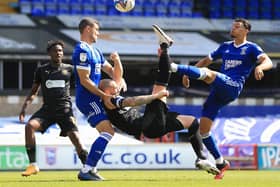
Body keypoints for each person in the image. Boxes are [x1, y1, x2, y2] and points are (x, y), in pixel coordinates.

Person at [98, 24, 220, 176]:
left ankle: (201, 158)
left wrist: (116, 61)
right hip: (147, 125)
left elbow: (117, 77)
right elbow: (133, 101)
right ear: (105, 91)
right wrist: (155, 97)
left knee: (192, 122)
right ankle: (164, 47)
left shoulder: (111, 93)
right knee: (159, 87)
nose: (117, 88)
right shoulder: (109, 100)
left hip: (150, 124)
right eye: (113, 88)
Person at [162, 18, 273, 179]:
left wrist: (260, 67)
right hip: (219, 90)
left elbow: (267, 61)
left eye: (237, 27)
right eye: (233, 26)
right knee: (204, 130)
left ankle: (172, 67)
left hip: (233, 86)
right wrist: (189, 72)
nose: (233, 28)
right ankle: (221, 162)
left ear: (246, 30)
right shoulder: (225, 46)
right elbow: (207, 60)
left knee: (210, 74)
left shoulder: (251, 48)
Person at [19, 40, 88, 177]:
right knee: (29, 126)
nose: (58, 53)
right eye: (55, 50)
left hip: (65, 110)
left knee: (76, 139)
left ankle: (88, 168)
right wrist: (24, 107)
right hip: (47, 110)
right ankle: (33, 165)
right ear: (49, 53)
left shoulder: (70, 69)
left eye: (60, 51)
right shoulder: (41, 70)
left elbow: (83, 87)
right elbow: (34, 91)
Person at [72, 17, 127, 181]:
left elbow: (113, 73)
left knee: (109, 131)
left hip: (96, 98)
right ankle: (87, 170)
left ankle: (90, 168)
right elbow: (84, 80)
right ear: (87, 29)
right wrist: (104, 96)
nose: (98, 33)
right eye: (96, 29)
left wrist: (118, 63)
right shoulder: (81, 50)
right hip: (88, 98)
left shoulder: (95, 51)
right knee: (108, 131)